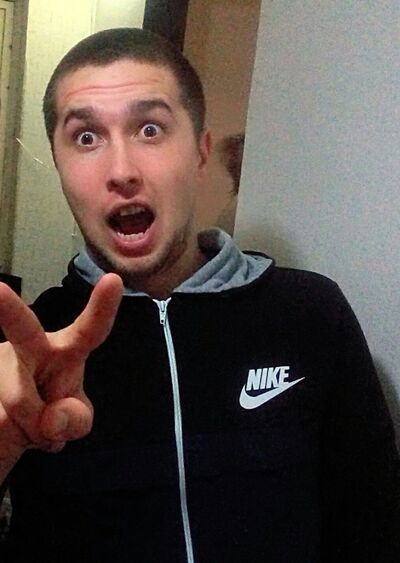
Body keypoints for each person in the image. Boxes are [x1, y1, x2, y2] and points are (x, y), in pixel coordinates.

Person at [0, 27, 398, 563]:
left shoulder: (311, 314)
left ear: (201, 151)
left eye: (150, 129)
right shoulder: (28, 349)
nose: (122, 171)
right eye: (86, 138)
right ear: (59, 166)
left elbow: (374, 523)